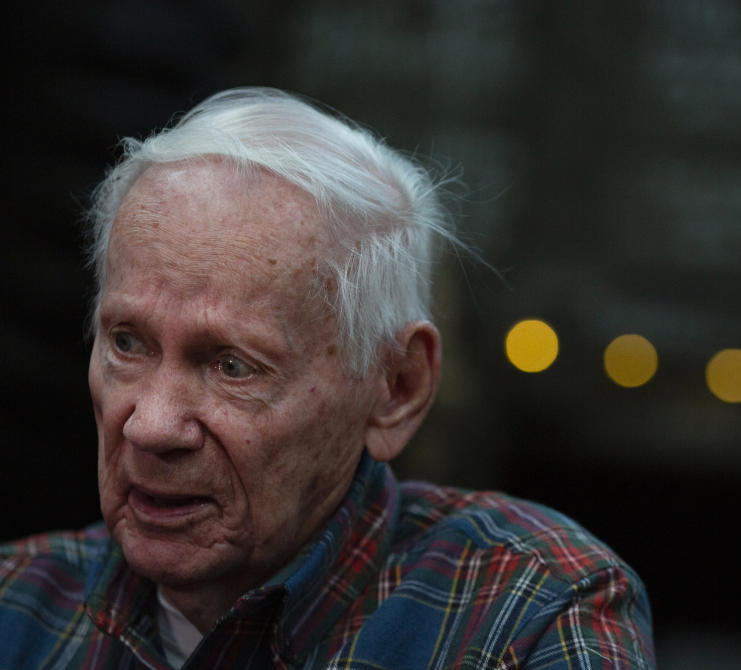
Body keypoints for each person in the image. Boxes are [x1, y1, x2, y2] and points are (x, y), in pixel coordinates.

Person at [0, 87, 655, 669]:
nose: (150, 424)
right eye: (127, 343)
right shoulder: (16, 604)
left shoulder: (522, 615)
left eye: (232, 366)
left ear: (396, 387)